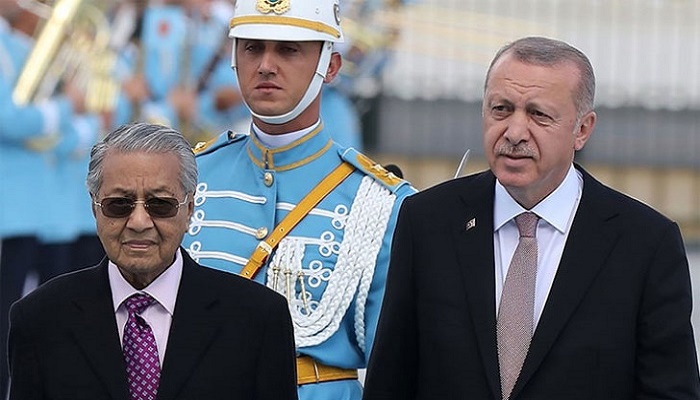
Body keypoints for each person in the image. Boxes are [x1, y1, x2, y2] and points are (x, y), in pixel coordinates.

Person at [362, 36, 700, 399]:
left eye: (539, 115)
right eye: (501, 109)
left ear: (582, 129)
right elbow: (391, 380)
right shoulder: (427, 222)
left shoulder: (645, 244)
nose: (515, 132)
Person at [181, 0, 416, 399]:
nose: (266, 65)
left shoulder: (381, 204)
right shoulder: (188, 177)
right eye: (252, 48)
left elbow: (395, 368)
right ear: (234, 58)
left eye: (289, 50)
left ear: (332, 67)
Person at [7, 122, 298, 400]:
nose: (139, 222)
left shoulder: (258, 318)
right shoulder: (38, 319)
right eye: (118, 204)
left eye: (160, 204)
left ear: (190, 208)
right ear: (95, 209)